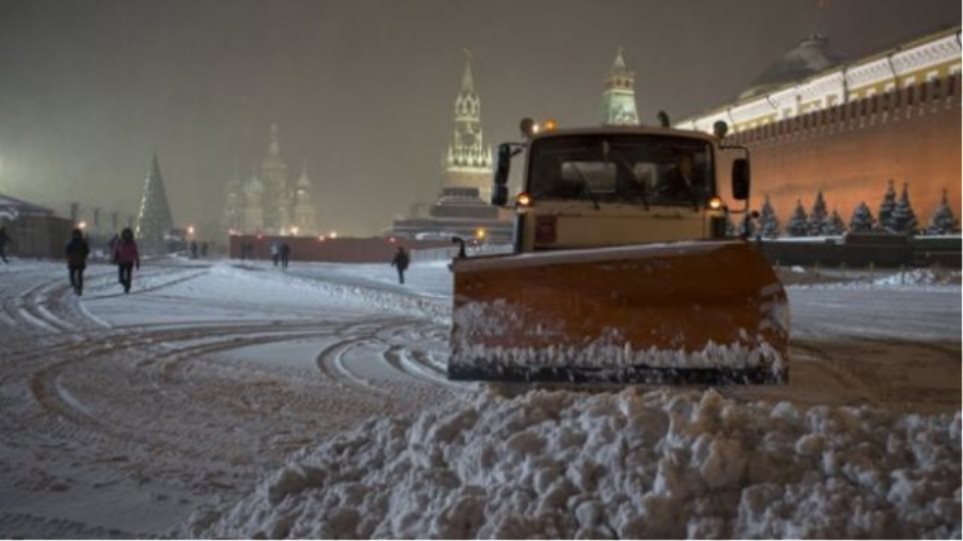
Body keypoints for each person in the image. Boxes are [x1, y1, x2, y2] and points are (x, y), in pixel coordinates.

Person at [112, 227, 140, 294]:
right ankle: (127, 285)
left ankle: (127, 287)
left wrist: (137, 261)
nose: (127, 235)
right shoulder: (120, 241)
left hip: (129, 261)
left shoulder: (132, 242)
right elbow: (116, 251)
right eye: (125, 234)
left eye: (128, 234)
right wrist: (114, 258)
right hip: (121, 261)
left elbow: (135, 252)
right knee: (120, 279)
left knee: (128, 275)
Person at [64, 228, 90, 295]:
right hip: (80, 261)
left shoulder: (70, 242)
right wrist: (83, 256)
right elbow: (87, 251)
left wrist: (69, 257)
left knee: (72, 276)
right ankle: (79, 289)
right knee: (79, 276)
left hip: (72, 261)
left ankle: (76, 287)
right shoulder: (83, 242)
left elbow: (67, 251)